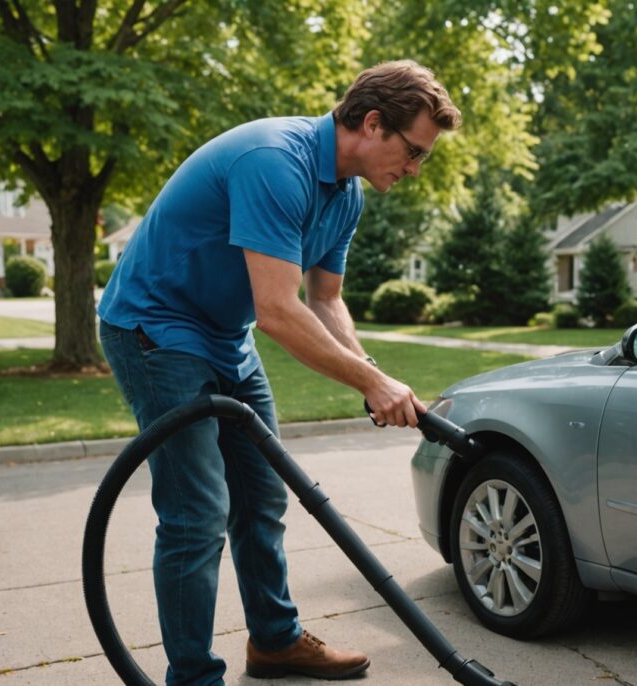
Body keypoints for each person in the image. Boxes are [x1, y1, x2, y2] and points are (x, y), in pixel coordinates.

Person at [97, 60, 461, 685]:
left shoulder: (343, 196)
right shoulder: (276, 162)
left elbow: (325, 300)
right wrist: (370, 383)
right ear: (373, 123)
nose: (415, 168)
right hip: (154, 327)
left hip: (223, 336)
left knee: (263, 499)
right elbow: (277, 311)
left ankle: (274, 642)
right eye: (414, 151)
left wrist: (371, 372)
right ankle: (193, 677)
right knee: (196, 514)